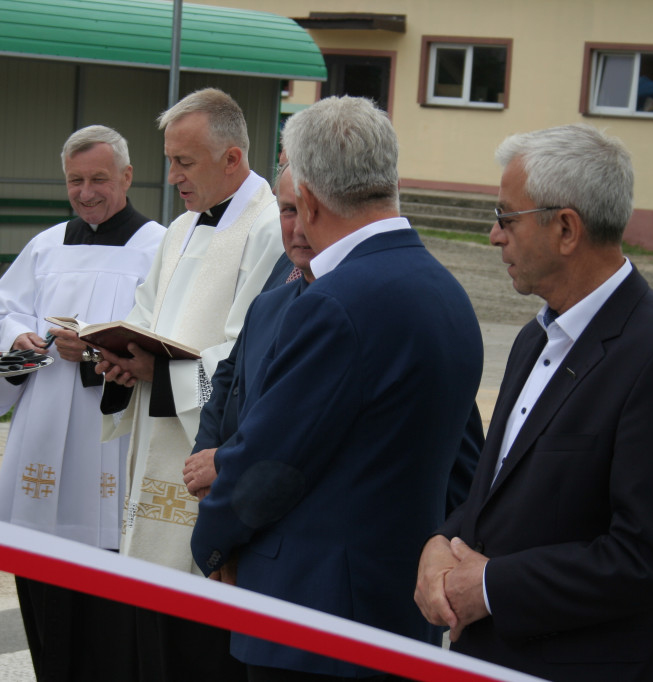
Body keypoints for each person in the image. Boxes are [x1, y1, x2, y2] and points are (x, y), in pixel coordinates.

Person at [414, 123, 653, 682]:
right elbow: (497, 491)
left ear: (565, 229)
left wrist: (489, 586)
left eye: (506, 217)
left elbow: (652, 558)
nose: (493, 235)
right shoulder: (535, 337)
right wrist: (443, 541)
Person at [189, 96, 484, 681]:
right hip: (396, 612)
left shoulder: (335, 302)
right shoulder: (444, 290)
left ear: (315, 199)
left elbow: (269, 463)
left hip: (314, 623)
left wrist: (214, 544)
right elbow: (463, 462)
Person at [95, 87, 283, 682]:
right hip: (155, 445)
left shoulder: (270, 228)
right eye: (169, 158)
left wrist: (165, 374)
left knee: (197, 650)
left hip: (205, 458)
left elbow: (251, 351)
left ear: (232, 159)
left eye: (184, 161)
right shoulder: (177, 229)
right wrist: (123, 359)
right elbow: (147, 315)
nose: (171, 174)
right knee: (153, 641)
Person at [0, 125, 165, 681]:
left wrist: (91, 350)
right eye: (75, 181)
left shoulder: (157, 247)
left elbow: (162, 341)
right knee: (44, 591)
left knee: (108, 610)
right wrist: (19, 340)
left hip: (111, 439)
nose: (86, 192)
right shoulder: (46, 245)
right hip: (41, 433)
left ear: (127, 177)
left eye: (99, 179)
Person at [182, 163, 311, 500]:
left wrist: (225, 463)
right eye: (288, 210)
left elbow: (296, 415)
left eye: (184, 162)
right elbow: (231, 369)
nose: (298, 227)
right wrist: (205, 449)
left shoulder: (265, 231)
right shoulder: (286, 265)